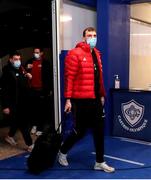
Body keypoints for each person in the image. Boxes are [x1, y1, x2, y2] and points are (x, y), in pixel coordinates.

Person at [58, 27, 115, 173]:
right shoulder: (74, 54)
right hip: (80, 100)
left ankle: (99, 162)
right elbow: (69, 78)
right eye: (89, 35)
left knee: (99, 130)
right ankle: (62, 151)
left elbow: (99, 79)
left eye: (95, 35)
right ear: (83, 38)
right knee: (80, 131)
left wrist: (101, 95)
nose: (92, 38)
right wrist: (68, 99)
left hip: (95, 99)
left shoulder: (96, 54)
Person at [1, 51, 34, 152]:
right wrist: (5, 106)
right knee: (23, 123)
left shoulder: (21, 69)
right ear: (10, 60)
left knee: (17, 121)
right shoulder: (7, 72)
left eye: (19, 59)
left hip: (22, 101)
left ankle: (9, 136)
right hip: (13, 103)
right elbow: (4, 91)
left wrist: (28, 76)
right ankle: (30, 144)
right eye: (15, 59)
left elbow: (22, 83)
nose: (18, 61)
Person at [25, 47, 53, 136]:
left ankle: (40, 128)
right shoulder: (29, 61)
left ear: (41, 53)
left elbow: (49, 77)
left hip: (42, 90)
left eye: (37, 52)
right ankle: (34, 126)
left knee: (42, 110)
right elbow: (23, 72)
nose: (35, 54)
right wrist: (26, 68)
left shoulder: (46, 63)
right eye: (34, 52)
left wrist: (49, 90)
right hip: (32, 90)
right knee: (33, 109)